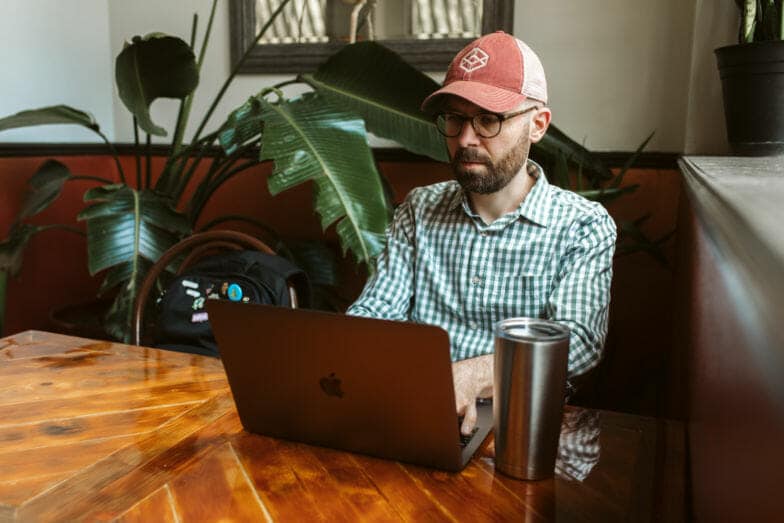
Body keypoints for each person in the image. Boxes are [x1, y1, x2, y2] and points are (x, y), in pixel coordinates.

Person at [347, 31, 617, 436]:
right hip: (415, 415)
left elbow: (575, 344)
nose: (466, 139)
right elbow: (373, 314)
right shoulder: (419, 209)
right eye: (455, 118)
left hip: (522, 432)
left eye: (489, 119)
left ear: (537, 125)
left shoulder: (583, 226)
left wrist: (473, 374)